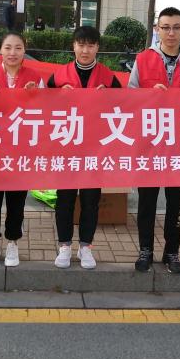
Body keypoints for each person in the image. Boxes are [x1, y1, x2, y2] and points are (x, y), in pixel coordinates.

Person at [128, 7, 180, 274]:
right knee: (147, 203)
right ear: (157, 29)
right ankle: (145, 250)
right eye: (165, 27)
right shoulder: (143, 59)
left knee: (176, 204)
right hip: (149, 144)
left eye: (176, 27)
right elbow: (129, 97)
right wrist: (149, 94)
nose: (171, 33)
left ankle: (172, 251)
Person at [47, 26, 122, 269]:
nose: (85, 50)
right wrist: (57, 95)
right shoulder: (58, 76)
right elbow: (41, 107)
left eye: (90, 45)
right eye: (81, 45)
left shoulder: (108, 78)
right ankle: (64, 246)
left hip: (94, 150)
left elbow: (124, 108)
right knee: (65, 199)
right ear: (73, 46)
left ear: (98, 47)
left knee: (91, 200)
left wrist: (109, 97)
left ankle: (86, 247)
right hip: (66, 148)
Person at [0, 32, 44, 267]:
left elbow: (45, 111)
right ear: (0, 50)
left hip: (21, 151)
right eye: (8, 48)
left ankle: (13, 241)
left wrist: (36, 96)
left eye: (18, 48)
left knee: (17, 200)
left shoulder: (35, 78)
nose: (13, 53)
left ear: (25, 50)